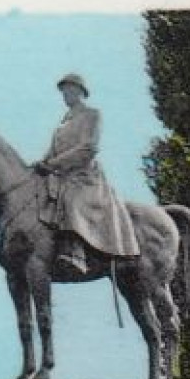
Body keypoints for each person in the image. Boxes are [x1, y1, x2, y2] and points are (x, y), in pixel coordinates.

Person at [32, 73, 138, 277]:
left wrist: (52, 164)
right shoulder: (62, 124)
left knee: (71, 199)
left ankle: (76, 253)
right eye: (63, 92)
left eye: (70, 90)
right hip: (61, 174)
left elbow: (89, 147)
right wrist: (40, 164)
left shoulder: (92, 115)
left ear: (81, 92)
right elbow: (52, 151)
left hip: (84, 175)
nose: (66, 95)